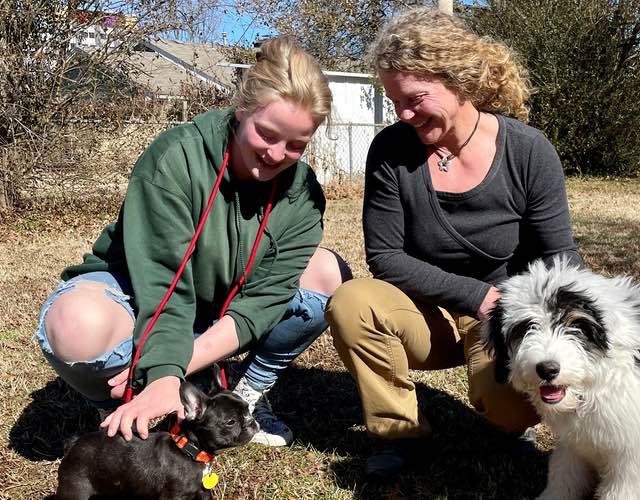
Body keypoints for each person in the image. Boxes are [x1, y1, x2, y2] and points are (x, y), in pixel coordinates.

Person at [35, 36, 351, 447]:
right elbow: (165, 284)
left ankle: (241, 393)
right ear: (242, 109)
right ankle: (121, 400)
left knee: (330, 273)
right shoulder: (175, 158)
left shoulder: (303, 194)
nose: (277, 154)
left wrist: (179, 363)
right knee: (75, 323)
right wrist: (166, 372)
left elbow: (264, 301)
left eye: (296, 145)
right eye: (267, 134)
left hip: (218, 307)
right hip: (141, 294)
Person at [324, 8, 582, 480]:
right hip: (428, 310)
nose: (403, 113)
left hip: (507, 314)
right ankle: (398, 434)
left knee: (510, 412)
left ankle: (508, 415)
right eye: (394, 100)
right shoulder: (391, 151)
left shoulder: (528, 151)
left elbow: (560, 258)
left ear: (458, 79)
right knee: (352, 302)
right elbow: (385, 257)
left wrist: (564, 323)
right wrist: (478, 297)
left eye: (415, 98)